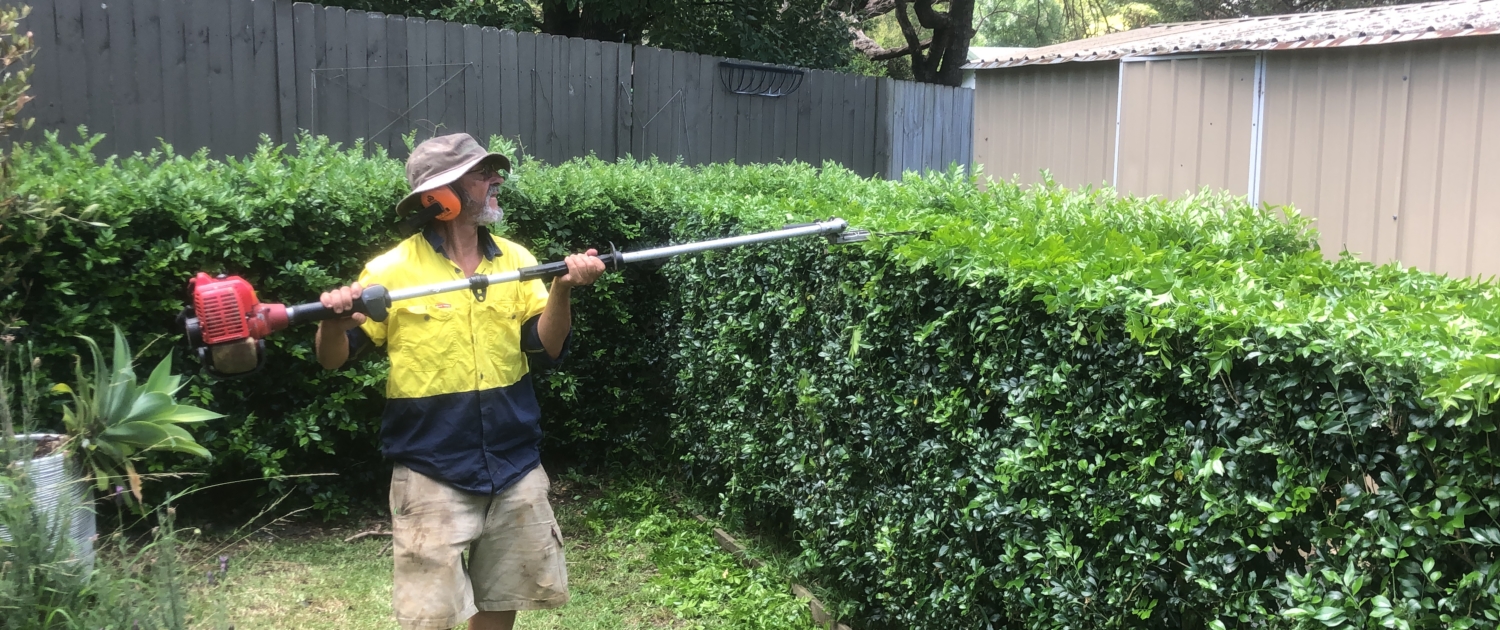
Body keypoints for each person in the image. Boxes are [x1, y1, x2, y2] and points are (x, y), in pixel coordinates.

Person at [314, 133, 605, 630]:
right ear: (440, 196)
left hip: (514, 461)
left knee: (501, 599)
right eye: (481, 173)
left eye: (493, 171)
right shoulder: (390, 271)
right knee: (429, 617)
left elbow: (544, 345)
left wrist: (562, 289)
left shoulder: (515, 259)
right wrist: (332, 323)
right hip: (431, 467)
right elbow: (334, 360)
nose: (497, 180)